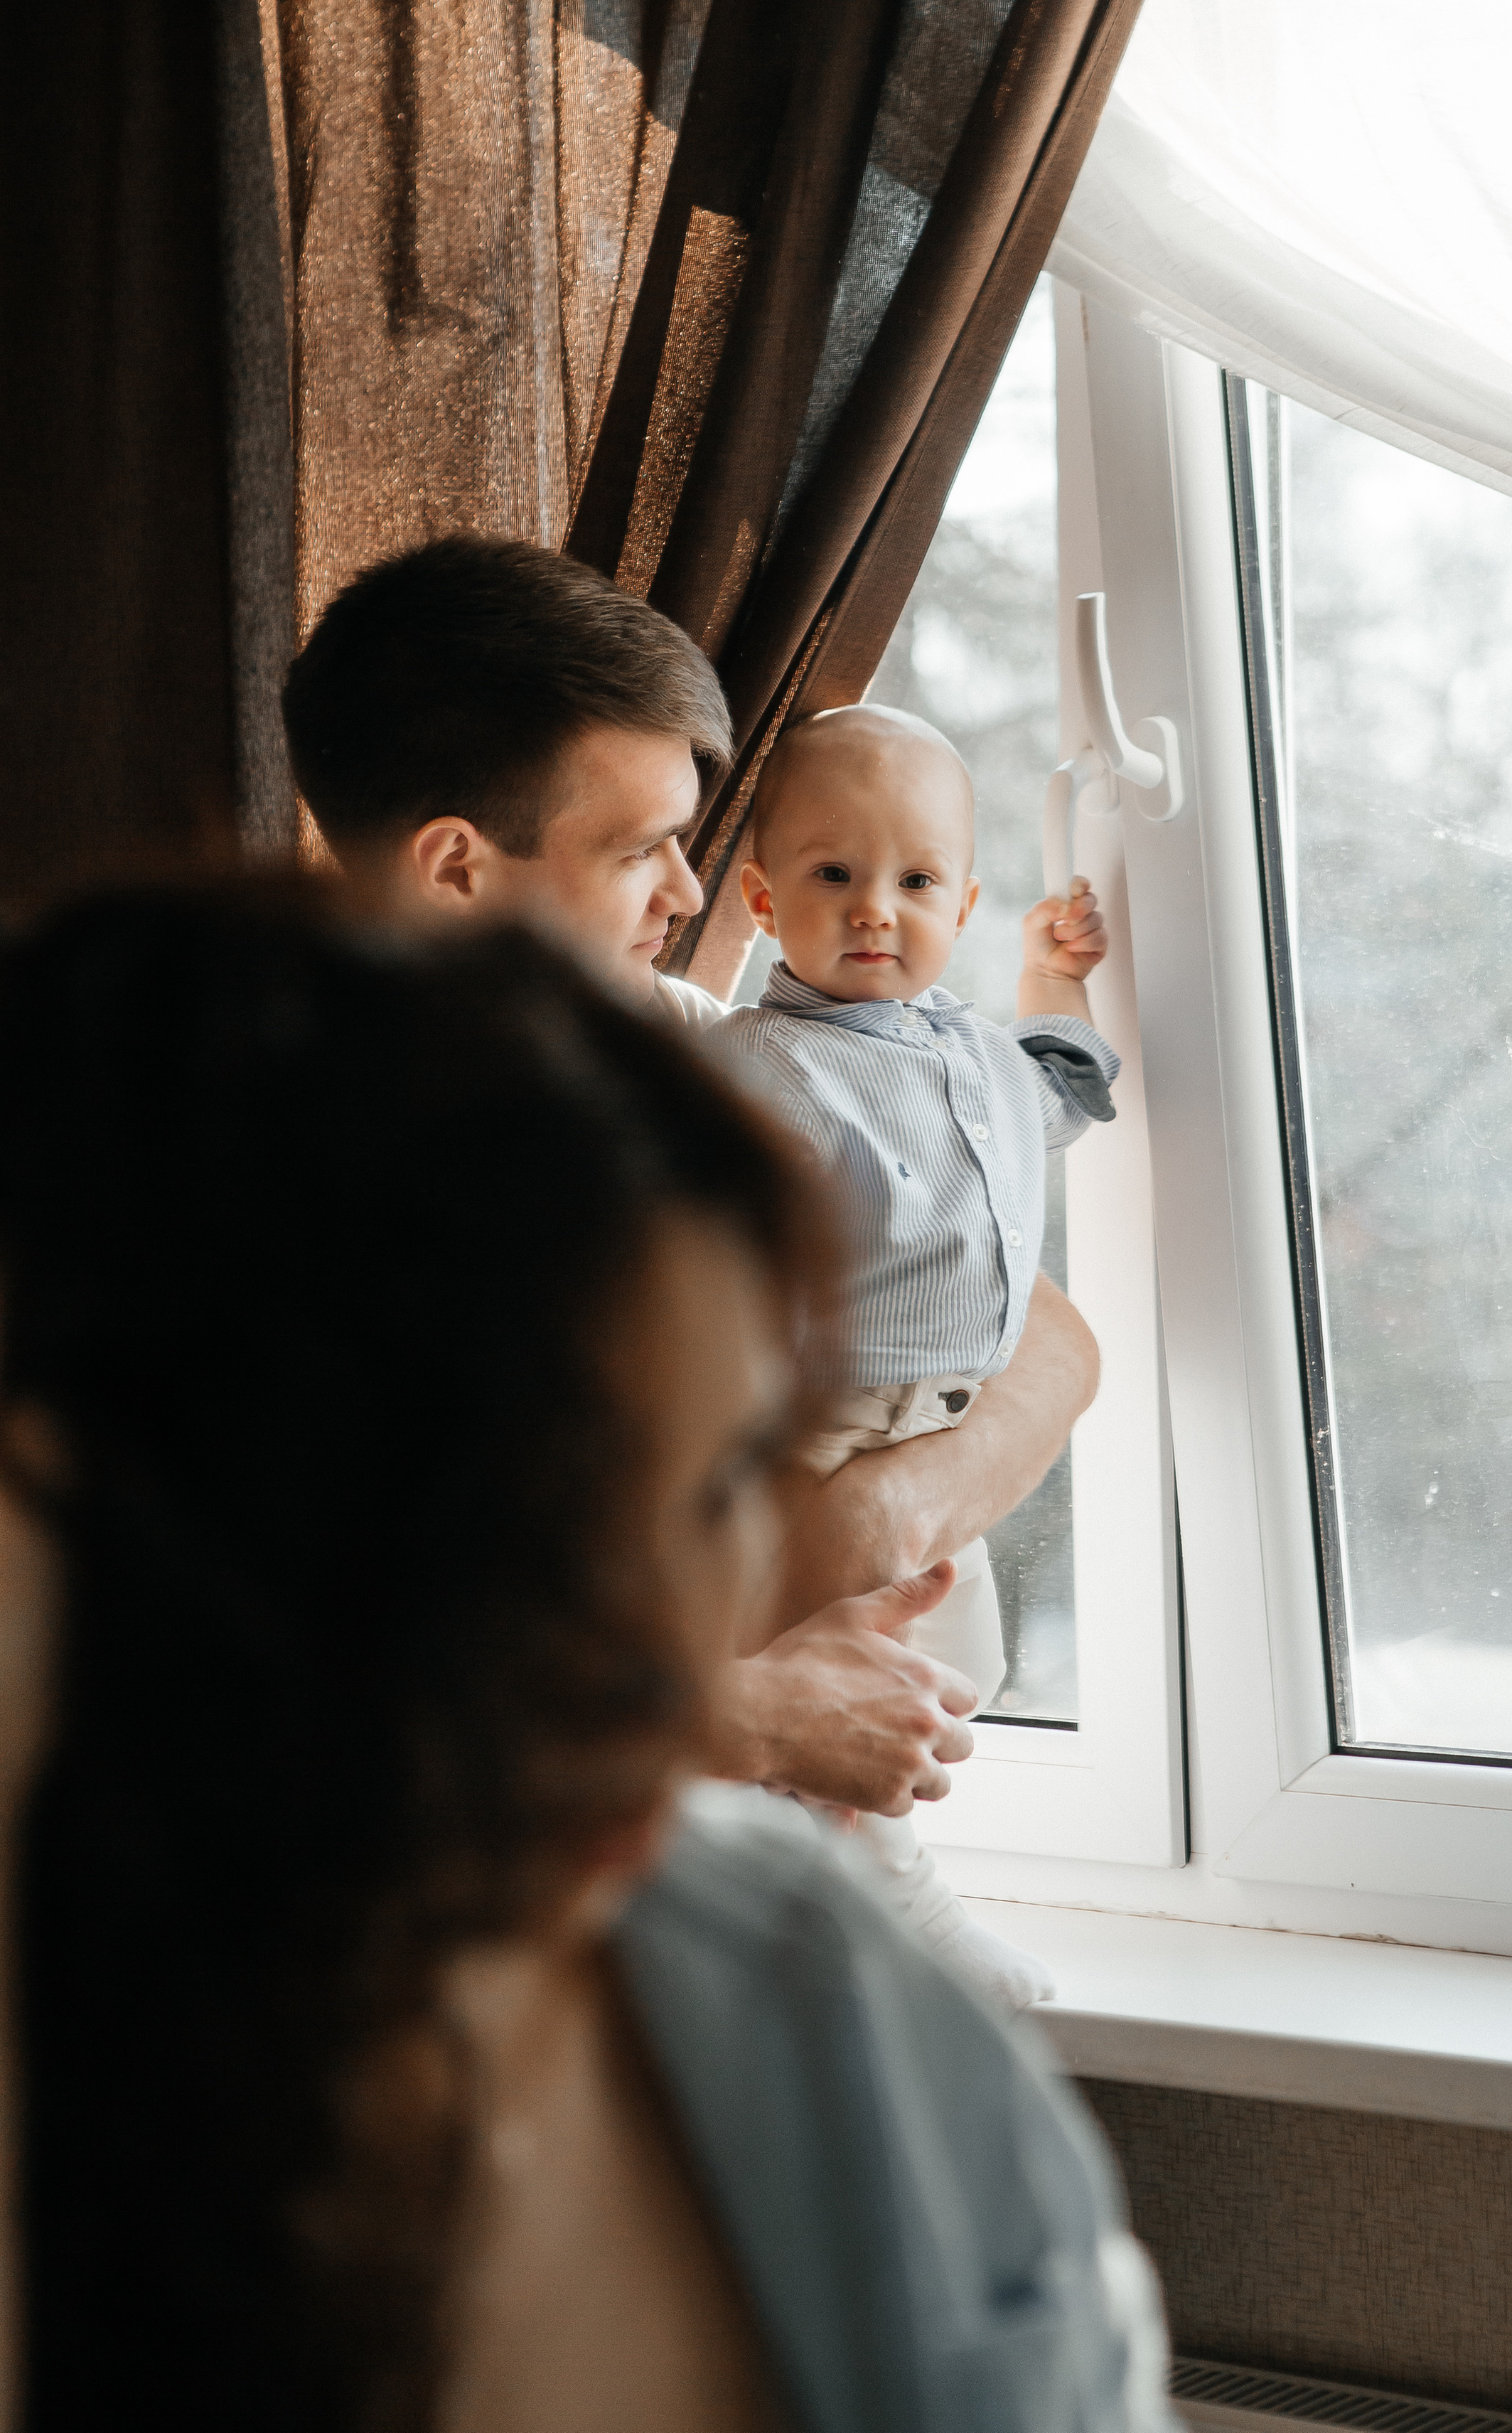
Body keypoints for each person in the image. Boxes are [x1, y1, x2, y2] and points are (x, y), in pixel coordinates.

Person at [0, 882, 1169, 2433]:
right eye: (506, 1529)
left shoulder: (830, 2018)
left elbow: (1053, 1338)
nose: (683, 1671)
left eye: (714, 1490)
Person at [281, 538, 1103, 1822]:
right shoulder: (256, 1168)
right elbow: (310, 1653)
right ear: (458, 869)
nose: (688, 887)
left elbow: (1045, 1337)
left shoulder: (679, 1034)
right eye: (640, 848)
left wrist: (874, 1524)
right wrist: (750, 1708)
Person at [709, 705, 1115, 2009]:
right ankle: (889, 1908)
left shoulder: (976, 1054)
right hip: (814, 1430)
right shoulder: (750, 1067)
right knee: (836, 1692)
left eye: (918, 880)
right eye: (835, 875)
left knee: (956, 1675)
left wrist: (1055, 974)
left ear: (966, 900)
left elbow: (1061, 1078)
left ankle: (819, 1881)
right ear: (765, 897)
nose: (876, 908)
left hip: (939, 1431)